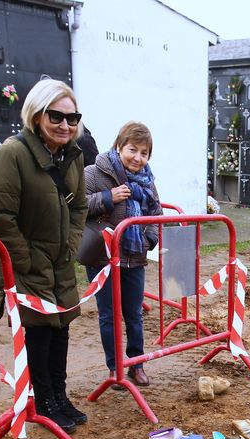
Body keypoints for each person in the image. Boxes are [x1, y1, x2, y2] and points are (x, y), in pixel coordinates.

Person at [0, 78, 87, 433]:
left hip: (59, 263)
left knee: (61, 330)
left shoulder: (72, 155)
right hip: (27, 266)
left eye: (72, 118)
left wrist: (69, 246)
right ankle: (43, 401)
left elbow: (80, 206)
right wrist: (25, 260)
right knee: (39, 333)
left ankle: (59, 395)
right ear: (37, 114)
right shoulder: (12, 155)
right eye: (55, 116)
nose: (65, 125)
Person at [79, 121, 161, 387]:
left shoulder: (148, 181)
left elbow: (156, 214)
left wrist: (149, 240)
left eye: (144, 152)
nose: (138, 158)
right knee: (108, 315)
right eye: (132, 150)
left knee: (134, 315)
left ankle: (135, 365)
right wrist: (107, 197)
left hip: (134, 257)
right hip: (102, 257)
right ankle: (115, 368)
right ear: (119, 146)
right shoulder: (94, 172)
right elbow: (76, 207)